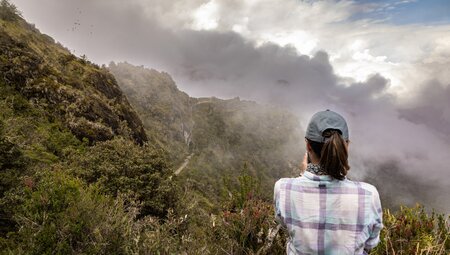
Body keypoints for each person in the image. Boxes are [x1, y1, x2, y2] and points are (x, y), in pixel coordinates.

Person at [274, 110, 383, 254]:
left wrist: (303, 174)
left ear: (308, 146)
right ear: (346, 147)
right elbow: (370, 243)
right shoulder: (368, 194)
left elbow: (286, 226)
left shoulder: (283, 188)